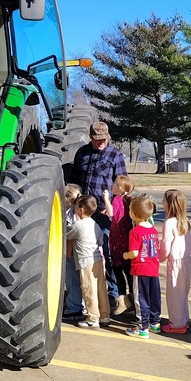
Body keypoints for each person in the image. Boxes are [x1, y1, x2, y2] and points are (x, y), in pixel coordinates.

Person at [70, 122, 127, 303]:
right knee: (81, 251)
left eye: (104, 139)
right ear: (91, 138)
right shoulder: (82, 153)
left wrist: (113, 204)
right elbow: (74, 180)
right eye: (98, 139)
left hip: (104, 213)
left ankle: (113, 293)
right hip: (83, 210)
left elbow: (123, 186)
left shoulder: (115, 155)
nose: (101, 142)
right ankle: (81, 292)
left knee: (107, 253)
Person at [66, 195, 110, 329]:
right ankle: (105, 315)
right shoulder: (94, 224)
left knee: (88, 289)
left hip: (86, 262)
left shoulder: (78, 225)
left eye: (76, 206)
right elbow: (100, 241)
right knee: (101, 289)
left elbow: (66, 235)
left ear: (81, 209)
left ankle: (92, 318)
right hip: (97, 259)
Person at [124, 194, 161, 338]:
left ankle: (142, 326)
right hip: (153, 268)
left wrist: (125, 255)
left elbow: (134, 252)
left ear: (134, 214)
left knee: (141, 298)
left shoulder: (135, 232)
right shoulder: (153, 230)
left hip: (140, 269)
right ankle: (155, 323)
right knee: (154, 296)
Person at [159, 189, 191, 334]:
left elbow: (166, 244)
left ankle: (177, 323)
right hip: (186, 259)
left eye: (164, 200)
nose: (162, 202)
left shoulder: (169, 223)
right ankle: (183, 319)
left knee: (174, 292)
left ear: (170, 204)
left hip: (175, 261)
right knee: (183, 291)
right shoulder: (185, 221)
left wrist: (160, 258)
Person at [105, 175, 136, 316]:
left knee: (118, 269)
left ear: (119, 188)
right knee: (128, 270)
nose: (112, 186)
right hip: (125, 238)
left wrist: (106, 199)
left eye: (114, 184)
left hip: (118, 240)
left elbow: (112, 213)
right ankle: (132, 298)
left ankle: (123, 298)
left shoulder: (117, 198)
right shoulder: (126, 200)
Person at [61, 183, 87, 322]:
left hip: (72, 254)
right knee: (77, 281)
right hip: (78, 253)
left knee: (72, 282)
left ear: (66, 200)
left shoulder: (70, 215)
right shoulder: (76, 212)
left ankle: (73, 308)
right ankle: (79, 305)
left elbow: (70, 237)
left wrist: (68, 255)